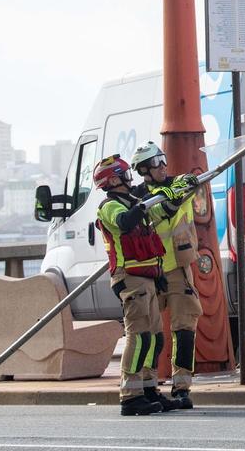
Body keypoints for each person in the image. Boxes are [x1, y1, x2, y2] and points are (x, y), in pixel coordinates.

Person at [93, 154, 168, 416]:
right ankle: (129, 395)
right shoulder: (109, 206)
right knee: (138, 338)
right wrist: (146, 203)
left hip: (148, 276)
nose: (129, 177)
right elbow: (126, 222)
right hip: (130, 277)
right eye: (124, 173)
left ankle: (148, 389)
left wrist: (174, 195)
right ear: (113, 179)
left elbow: (156, 220)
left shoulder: (135, 203)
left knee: (154, 338)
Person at [131, 141, 202, 410]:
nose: (163, 166)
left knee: (185, 327)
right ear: (144, 170)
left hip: (178, 268)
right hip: (150, 270)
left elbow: (189, 182)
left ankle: (182, 386)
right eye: (156, 163)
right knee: (150, 331)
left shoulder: (178, 185)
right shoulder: (137, 200)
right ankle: (148, 385)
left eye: (163, 159)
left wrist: (185, 183)